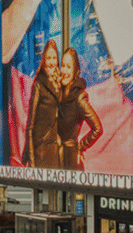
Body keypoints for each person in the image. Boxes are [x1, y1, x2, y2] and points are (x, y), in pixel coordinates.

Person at [57, 47, 103, 170]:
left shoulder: (79, 97)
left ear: (76, 71)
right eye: (63, 65)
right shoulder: (58, 92)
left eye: (69, 67)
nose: (64, 71)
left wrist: (80, 146)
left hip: (71, 161)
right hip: (55, 158)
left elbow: (97, 128)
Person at [26, 40, 63, 169]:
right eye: (48, 58)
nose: (52, 62)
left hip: (55, 149)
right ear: (43, 60)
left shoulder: (60, 82)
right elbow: (30, 126)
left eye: (54, 58)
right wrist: (32, 161)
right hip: (41, 150)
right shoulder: (39, 84)